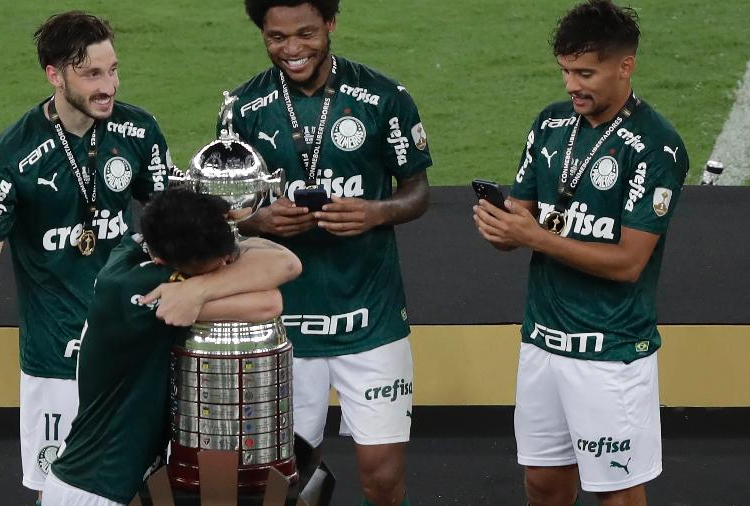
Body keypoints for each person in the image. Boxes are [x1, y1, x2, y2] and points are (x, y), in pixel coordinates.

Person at [0, 10, 173, 500]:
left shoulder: (140, 132)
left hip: (133, 348)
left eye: (112, 70)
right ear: (55, 74)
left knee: (148, 489)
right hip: (56, 362)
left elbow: (175, 231)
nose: (107, 85)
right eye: (91, 73)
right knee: (62, 495)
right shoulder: (9, 158)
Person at [473, 1, 688, 505]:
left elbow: (629, 262)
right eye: (566, 71)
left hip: (609, 352)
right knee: (543, 485)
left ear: (625, 66)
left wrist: (532, 236)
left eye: (585, 72)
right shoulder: (550, 126)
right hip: (542, 344)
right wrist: (500, 225)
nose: (572, 84)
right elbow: (520, 219)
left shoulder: (655, 146)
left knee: (615, 492)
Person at [224, 1, 431, 504]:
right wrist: (260, 220)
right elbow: (228, 206)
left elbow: (418, 191)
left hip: (372, 316)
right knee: (280, 480)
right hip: (280, 322)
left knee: (381, 478)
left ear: (331, 25)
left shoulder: (383, 97)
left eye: (306, 34)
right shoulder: (242, 108)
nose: (292, 50)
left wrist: (375, 213)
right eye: (276, 37)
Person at [41, 188, 302, 505]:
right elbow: (269, 299)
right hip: (94, 491)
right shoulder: (135, 291)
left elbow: (284, 261)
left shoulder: (146, 242)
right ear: (163, 263)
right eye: (215, 266)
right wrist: (203, 289)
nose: (227, 263)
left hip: (121, 484)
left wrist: (201, 285)